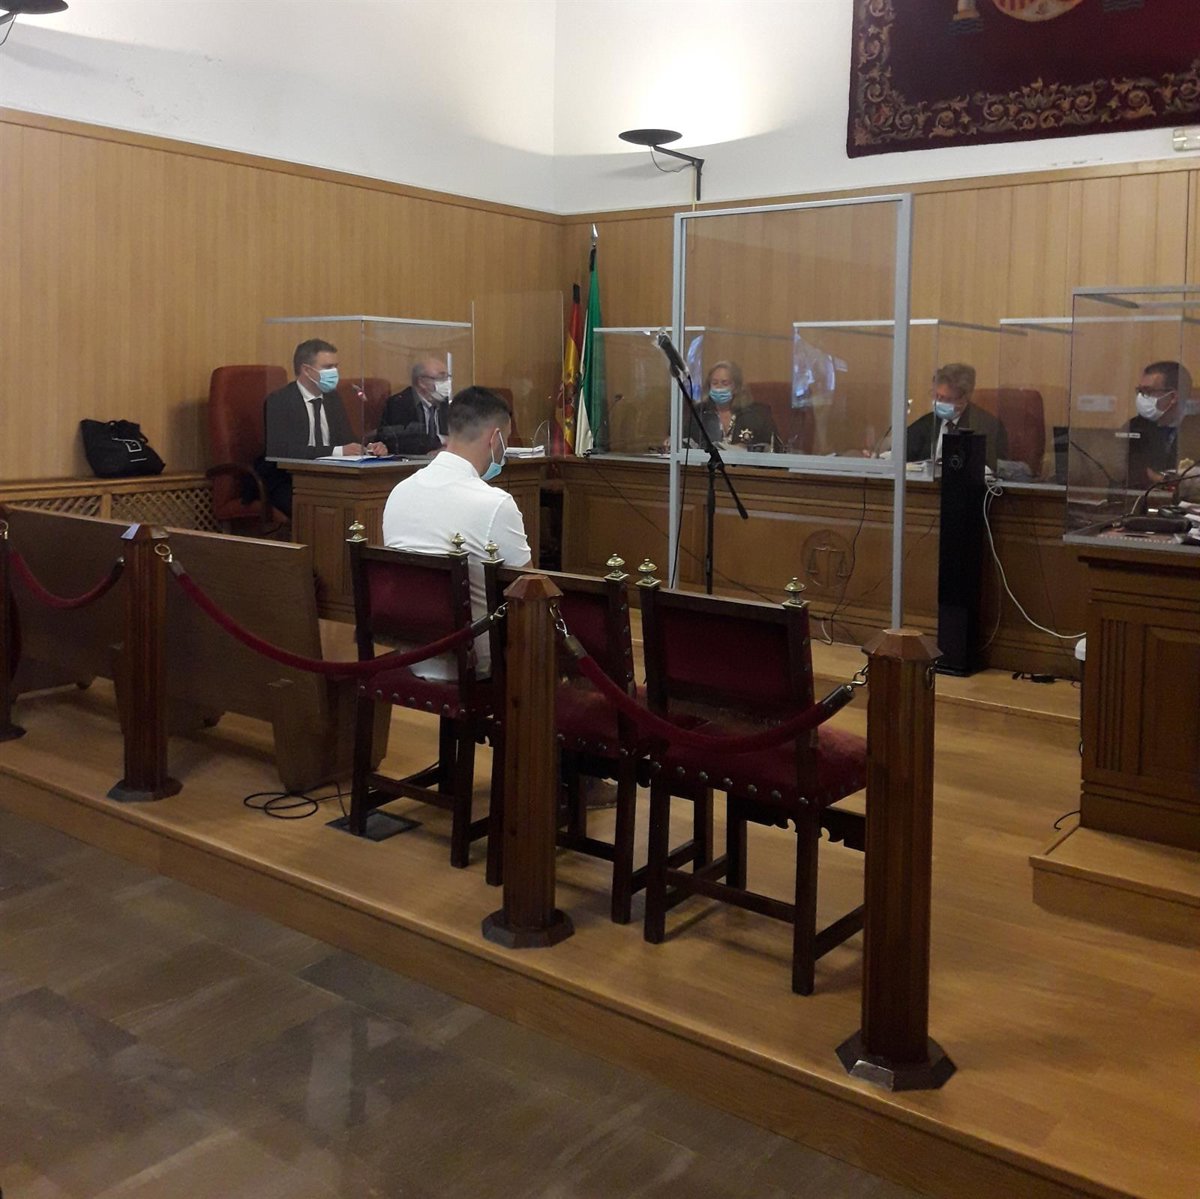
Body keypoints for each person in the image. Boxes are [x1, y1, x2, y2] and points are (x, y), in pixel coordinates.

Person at [381, 387, 530, 680]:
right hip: (478, 664)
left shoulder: (399, 492)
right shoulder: (495, 503)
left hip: (411, 655)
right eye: (506, 440)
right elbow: (528, 592)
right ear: (495, 438)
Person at [258, 339, 385, 516]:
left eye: (336, 367)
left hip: (330, 477)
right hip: (288, 480)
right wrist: (337, 451)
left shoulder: (333, 398)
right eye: (328, 367)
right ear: (306, 370)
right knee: (322, 511)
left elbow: (346, 440)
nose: (335, 373)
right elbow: (282, 451)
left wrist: (368, 448)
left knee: (363, 504)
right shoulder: (280, 400)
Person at [905, 362, 1008, 474]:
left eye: (947, 398)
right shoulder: (925, 424)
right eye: (936, 395)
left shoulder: (988, 427)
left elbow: (994, 469)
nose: (938, 402)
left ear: (964, 398)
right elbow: (902, 456)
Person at [1125, 360, 1198, 487]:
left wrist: (1159, 478)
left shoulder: (1195, 428)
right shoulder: (1135, 426)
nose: (1141, 397)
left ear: (1173, 397)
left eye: (1148, 391)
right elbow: (1124, 471)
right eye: (1140, 391)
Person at [684, 361, 779, 451]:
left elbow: (773, 447)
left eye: (725, 383)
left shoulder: (758, 414)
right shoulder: (699, 413)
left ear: (736, 387)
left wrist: (747, 449)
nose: (719, 387)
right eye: (715, 383)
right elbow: (685, 443)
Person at [375, 357, 453, 455]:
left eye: (447, 378)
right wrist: (441, 440)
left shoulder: (450, 404)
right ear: (421, 382)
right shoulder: (399, 404)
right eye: (441, 378)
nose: (447, 383)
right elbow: (400, 442)